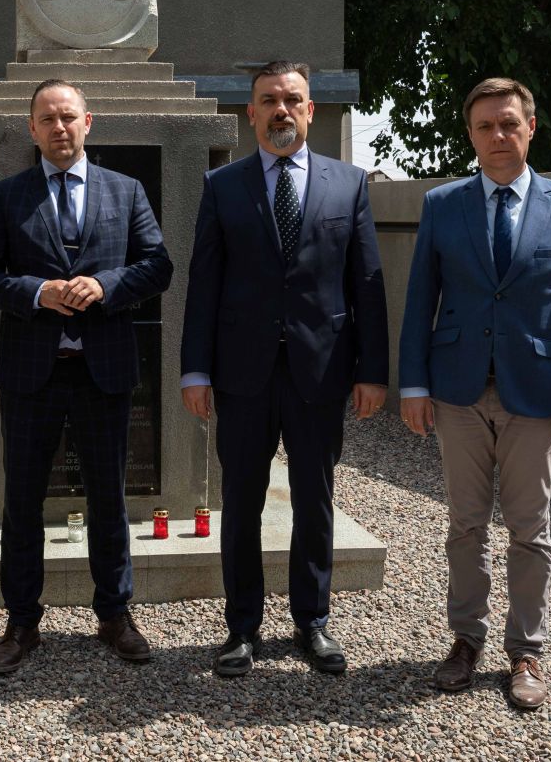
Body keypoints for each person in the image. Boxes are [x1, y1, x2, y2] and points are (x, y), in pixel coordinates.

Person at [398, 77, 551, 710]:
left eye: (509, 123)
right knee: (465, 525)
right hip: (456, 392)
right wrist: (414, 384)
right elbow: (419, 300)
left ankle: (527, 651)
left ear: (530, 128)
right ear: (470, 134)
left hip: (537, 394)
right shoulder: (443, 204)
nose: (498, 135)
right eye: (485, 125)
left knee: (529, 529)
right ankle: (466, 640)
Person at [179, 60, 389, 678]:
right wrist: (195, 370)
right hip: (242, 373)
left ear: (310, 110)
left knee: (315, 500)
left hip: (320, 371)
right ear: (250, 113)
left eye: (292, 99)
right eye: (269, 100)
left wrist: (373, 370)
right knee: (241, 501)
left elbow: (367, 284)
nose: (281, 110)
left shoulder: (349, 185)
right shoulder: (223, 186)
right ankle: (242, 627)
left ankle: (312, 621)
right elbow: (203, 283)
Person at [0, 79, 173, 674]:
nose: (59, 127)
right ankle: (21, 621)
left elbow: (157, 265)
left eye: (68, 117)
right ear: (32, 129)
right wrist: (37, 292)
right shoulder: (8, 195)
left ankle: (115, 614)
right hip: (32, 373)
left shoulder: (125, 191)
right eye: (47, 119)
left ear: (88, 122)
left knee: (109, 498)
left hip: (102, 371)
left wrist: (106, 285)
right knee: (22, 502)